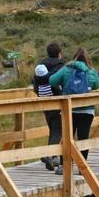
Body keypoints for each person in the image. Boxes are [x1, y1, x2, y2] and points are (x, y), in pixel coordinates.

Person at [49, 47, 99, 175]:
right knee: (84, 138)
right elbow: (97, 85)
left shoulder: (66, 69)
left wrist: (62, 88)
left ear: (74, 57)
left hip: (68, 109)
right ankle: (82, 167)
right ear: (87, 59)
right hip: (87, 110)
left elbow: (52, 80)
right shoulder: (90, 71)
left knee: (67, 137)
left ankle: (64, 166)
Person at [35, 42, 64, 170]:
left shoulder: (40, 66)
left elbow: (34, 83)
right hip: (56, 100)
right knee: (58, 130)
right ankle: (49, 155)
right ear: (59, 53)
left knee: (52, 129)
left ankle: (50, 160)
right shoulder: (60, 66)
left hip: (44, 101)